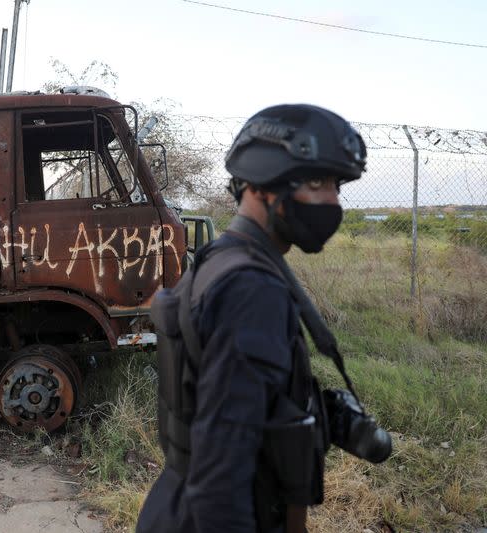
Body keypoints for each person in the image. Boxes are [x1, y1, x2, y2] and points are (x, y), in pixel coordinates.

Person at [137, 104, 368, 533]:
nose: (332, 202)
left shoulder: (222, 258)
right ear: (262, 185)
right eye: (317, 182)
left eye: (336, 186)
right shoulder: (250, 289)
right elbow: (220, 476)